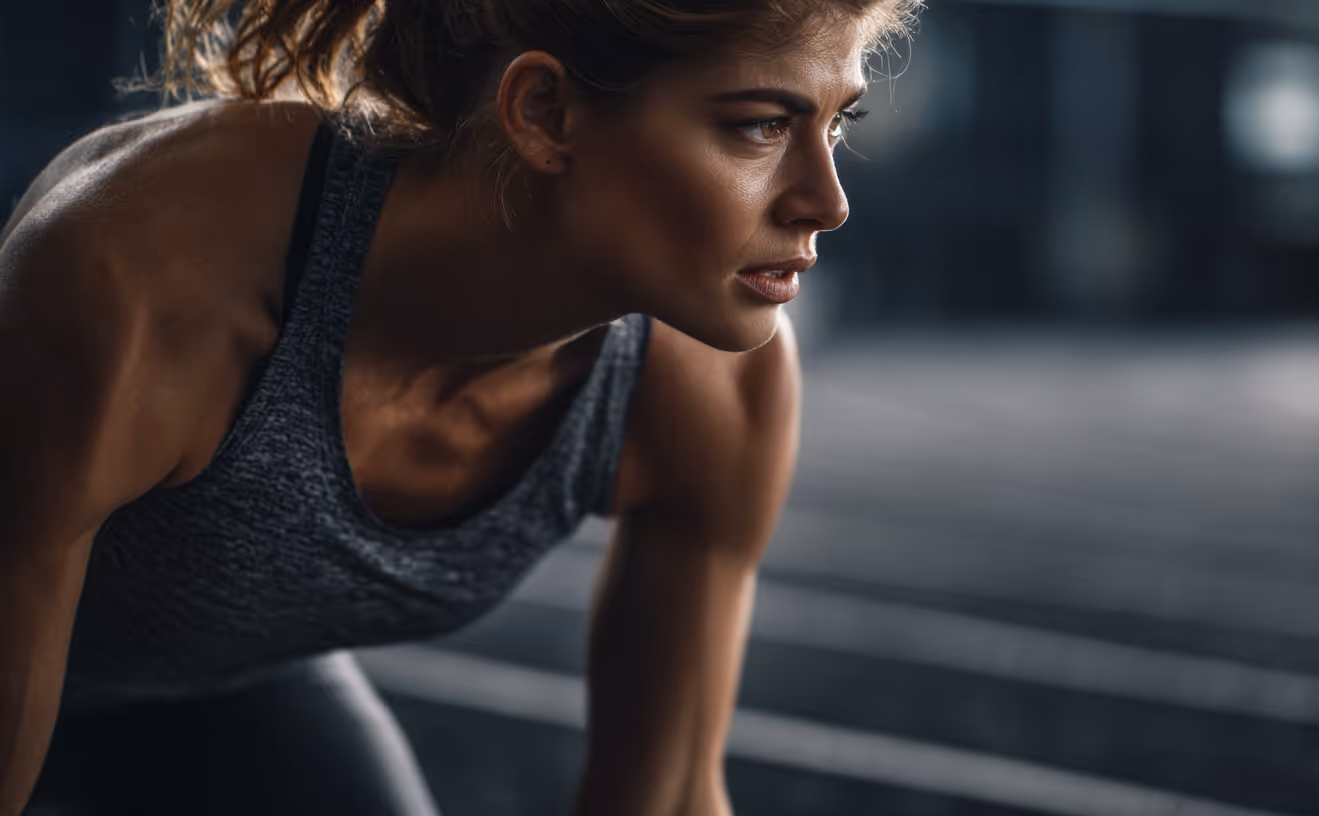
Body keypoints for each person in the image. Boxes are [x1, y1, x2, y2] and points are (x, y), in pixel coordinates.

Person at [0, 0, 921, 812]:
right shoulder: (151, 274)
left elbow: (670, 799)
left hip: (220, 690)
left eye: (837, 124)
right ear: (545, 111)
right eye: (762, 125)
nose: (828, 203)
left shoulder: (716, 379)